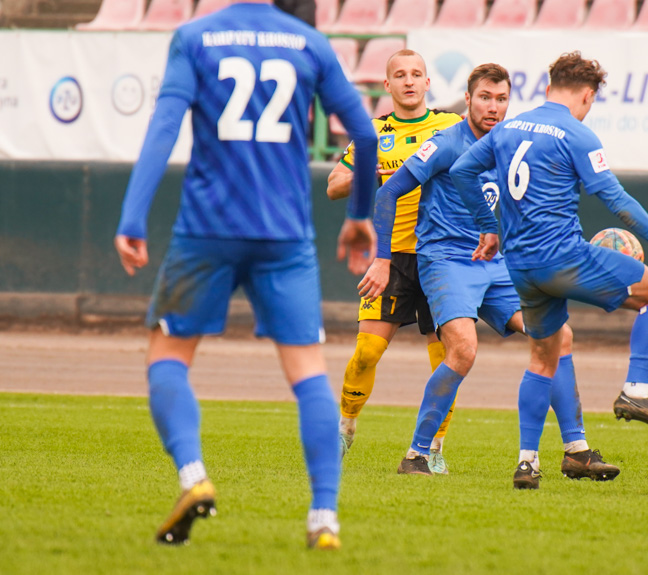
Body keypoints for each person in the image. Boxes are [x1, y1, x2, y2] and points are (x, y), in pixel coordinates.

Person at [113, 0, 377, 549]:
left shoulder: (195, 37)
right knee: (307, 374)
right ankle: (324, 518)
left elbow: (164, 126)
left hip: (206, 230)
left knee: (166, 357)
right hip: (283, 234)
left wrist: (133, 217)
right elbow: (367, 137)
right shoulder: (309, 42)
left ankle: (193, 476)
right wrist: (356, 219)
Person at [359, 63, 620, 488]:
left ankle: (577, 452)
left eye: (501, 99)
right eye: (485, 97)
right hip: (445, 259)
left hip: (496, 263)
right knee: (463, 349)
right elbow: (388, 191)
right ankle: (417, 454)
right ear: (468, 99)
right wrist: (383, 259)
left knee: (560, 336)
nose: (493, 107)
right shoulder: (445, 143)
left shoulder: (512, 142)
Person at [450, 52, 648, 481]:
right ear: (586, 95)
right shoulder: (577, 134)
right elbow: (618, 202)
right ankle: (636, 392)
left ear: (548, 89)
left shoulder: (509, 127)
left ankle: (529, 461)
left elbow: (460, 171)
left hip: (522, 268)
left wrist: (488, 228)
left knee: (543, 357)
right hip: (565, 257)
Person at [327, 50, 462, 473]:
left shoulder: (451, 126)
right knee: (367, 350)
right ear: (386, 86)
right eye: (399, 75)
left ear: (427, 83)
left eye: (416, 74)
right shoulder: (373, 134)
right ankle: (345, 430)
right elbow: (333, 185)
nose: (409, 81)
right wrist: (369, 173)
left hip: (442, 256)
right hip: (390, 258)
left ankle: (434, 448)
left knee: (447, 357)